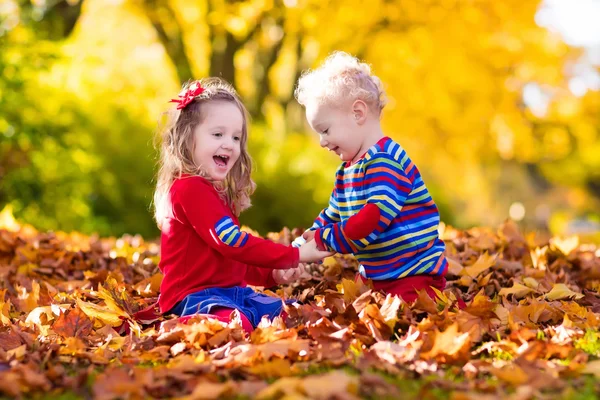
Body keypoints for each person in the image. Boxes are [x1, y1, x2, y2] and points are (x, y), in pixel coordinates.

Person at [153, 77, 331, 333]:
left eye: (236, 137)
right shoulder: (188, 188)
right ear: (186, 137)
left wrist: (271, 275)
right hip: (192, 299)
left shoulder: (215, 193)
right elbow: (232, 242)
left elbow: (231, 261)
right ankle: (175, 327)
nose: (229, 143)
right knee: (238, 324)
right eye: (217, 134)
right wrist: (294, 255)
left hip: (232, 293)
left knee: (302, 314)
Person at [292, 51, 448, 302]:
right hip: (378, 272)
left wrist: (325, 240)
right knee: (355, 305)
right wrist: (299, 246)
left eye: (325, 130)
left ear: (358, 113)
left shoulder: (387, 160)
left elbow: (371, 219)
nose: (322, 142)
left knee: (407, 311)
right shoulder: (347, 170)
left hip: (412, 273)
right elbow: (333, 214)